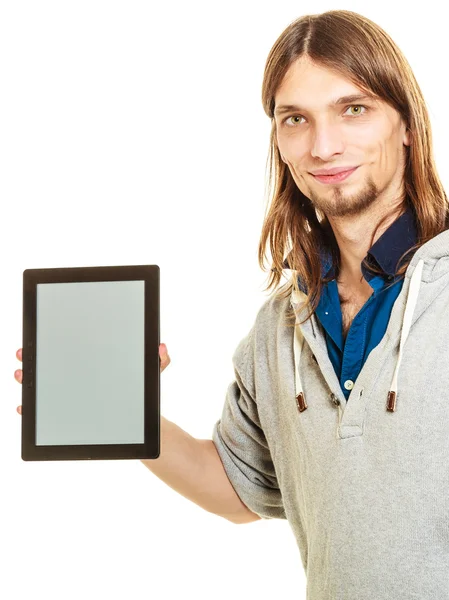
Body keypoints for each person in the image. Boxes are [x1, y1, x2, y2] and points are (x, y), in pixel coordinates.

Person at [14, 9, 449, 599]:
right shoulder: (279, 326)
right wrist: (121, 407)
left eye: (354, 109)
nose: (324, 145)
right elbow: (237, 489)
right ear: (279, 138)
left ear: (406, 123)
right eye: (296, 119)